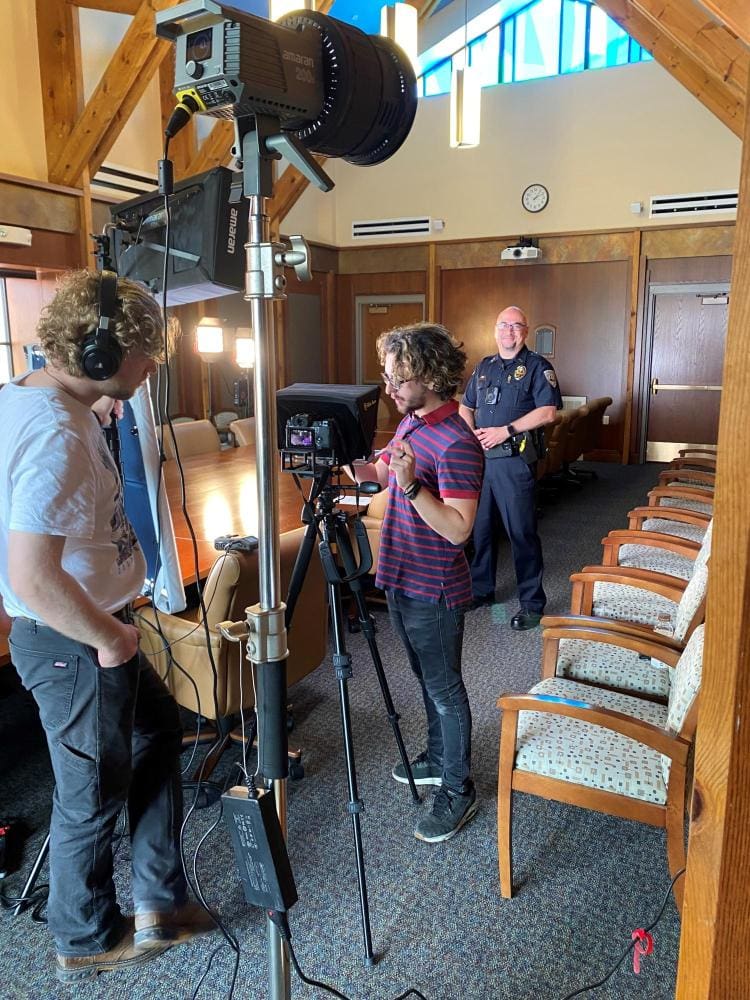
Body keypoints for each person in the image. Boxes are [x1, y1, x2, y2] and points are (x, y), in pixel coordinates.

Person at [0, 270, 213, 984]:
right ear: (103, 354)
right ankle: (84, 937)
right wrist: (109, 638)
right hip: (75, 640)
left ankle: (157, 901)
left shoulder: (41, 401)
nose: (152, 369)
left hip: (93, 630)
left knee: (157, 735)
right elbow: (31, 577)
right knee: (89, 793)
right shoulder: (56, 432)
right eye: (147, 354)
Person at [351, 323, 483, 843]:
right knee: (425, 676)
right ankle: (436, 756)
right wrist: (341, 457)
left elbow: (458, 528)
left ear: (427, 376)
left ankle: (458, 787)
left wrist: (410, 486)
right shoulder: (410, 424)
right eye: (387, 378)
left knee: (444, 685)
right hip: (401, 574)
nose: (389, 389)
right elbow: (380, 472)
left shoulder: (457, 443)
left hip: (436, 587)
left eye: (397, 379)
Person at [459, 306, 562, 631]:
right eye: (503, 325)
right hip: (482, 463)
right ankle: (482, 590)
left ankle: (532, 604)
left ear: (526, 331)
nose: (509, 331)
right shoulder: (484, 367)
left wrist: (506, 430)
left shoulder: (537, 367)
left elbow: (548, 413)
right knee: (482, 531)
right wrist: (470, 436)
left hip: (515, 461)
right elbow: (466, 406)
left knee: (521, 534)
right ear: (495, 329)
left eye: (516, 326)